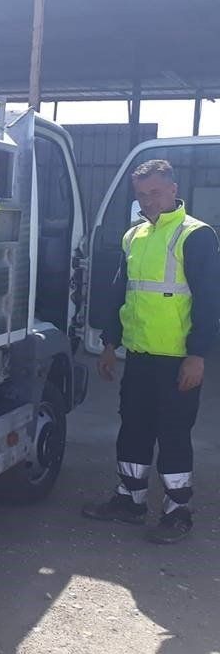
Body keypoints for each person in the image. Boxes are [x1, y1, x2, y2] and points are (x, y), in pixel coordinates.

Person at [83, 158, 220, 543]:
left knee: (174, 434)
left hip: (177, 359)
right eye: (141, 196)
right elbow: (121, 293)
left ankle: (178, 512)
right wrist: (110, 343)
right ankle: (130, 502)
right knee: (134, 429)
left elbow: (210, 301)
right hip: (140, 357)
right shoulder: (134, 236)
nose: (148, 202)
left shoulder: (196, 235)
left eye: (155, 193)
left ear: (173, 190)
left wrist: (198, 355)